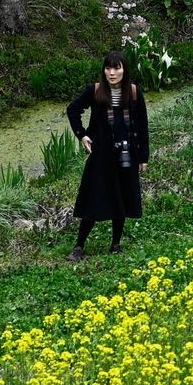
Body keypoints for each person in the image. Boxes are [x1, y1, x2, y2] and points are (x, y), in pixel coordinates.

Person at [66, 51, 149, 259]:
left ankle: (115, 244)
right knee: (93, 197)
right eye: (108, 68)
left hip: (126, 153)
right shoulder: (95, 91)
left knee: (122, 196)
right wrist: (82, 135)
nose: (112, 73)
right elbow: (73, 109)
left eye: (117, 68)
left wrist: (143, 157)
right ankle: (79, 246)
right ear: (104, 70)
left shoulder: (134, 92)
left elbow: (142, 125)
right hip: (101, 155)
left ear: (124, 69)